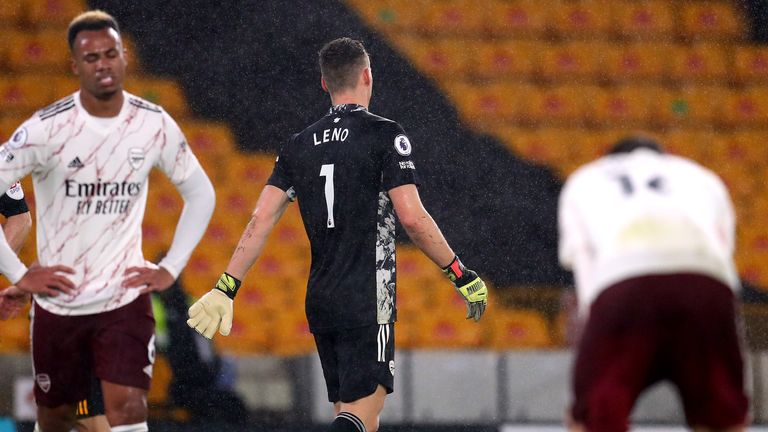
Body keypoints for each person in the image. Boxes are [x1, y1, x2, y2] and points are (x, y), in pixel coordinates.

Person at [186, 37, 488, 432]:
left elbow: (260, 218)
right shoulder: (384, 135)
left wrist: (226, 287)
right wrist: (459, 274)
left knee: (354, 414)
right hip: (367, 296)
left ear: (324, 84)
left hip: (322, 298)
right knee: (364, 410)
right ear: (367, 75)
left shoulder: (298, 145)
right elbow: (412, 219)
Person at [0, 10, 215, 432]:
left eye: (110, 53)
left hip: (123, 306)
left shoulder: (153, 124)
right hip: (62, 311)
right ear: (74, 65)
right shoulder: (45, 129)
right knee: (68, 421)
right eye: (91, 56)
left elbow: (202, 193)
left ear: (124, 57)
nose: (103, 63)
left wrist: (170, 266)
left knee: (128, 417)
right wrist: (21, 274)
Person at [558, 136, 748, 432]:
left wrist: (593, 336)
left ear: (609, 159)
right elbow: (723, 256)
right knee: (724, 413)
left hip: (623, 284)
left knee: (594, 415)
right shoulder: (701, 176)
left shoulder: (586, 179)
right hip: (705, 281)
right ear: (664, 158)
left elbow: (585, 263)